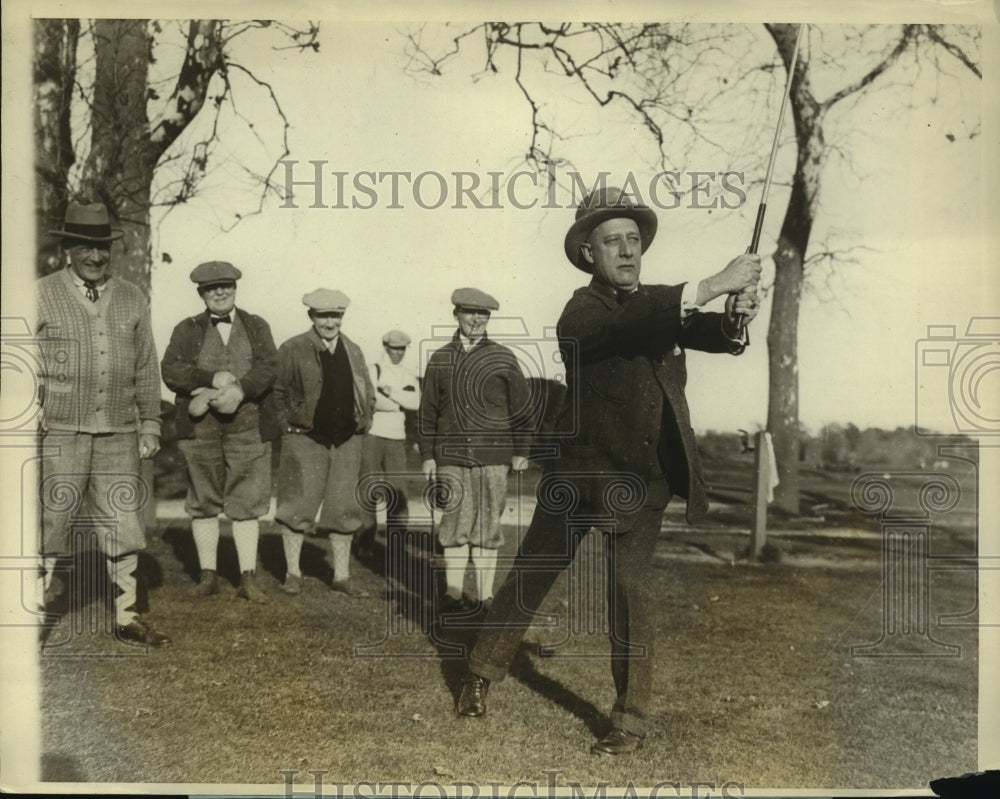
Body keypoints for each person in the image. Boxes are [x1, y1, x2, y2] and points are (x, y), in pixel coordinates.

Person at [454, 187, 762, 756]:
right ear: (588, 254)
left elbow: (701, 330)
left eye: (633, 240)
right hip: (579, 480)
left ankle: (630, 720)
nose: (626, 250)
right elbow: (633, 328)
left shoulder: (661, 310)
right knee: (530, 580)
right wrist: (714, 284)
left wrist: (734, 318)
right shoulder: (581, 310)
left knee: (631, 591)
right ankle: (479, 672)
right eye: (611, 241)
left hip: (644, 482)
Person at [36, 202, 170, 646]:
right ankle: (33, 613)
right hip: (60, 431)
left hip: (119, 432)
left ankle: (126, 616)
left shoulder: (132, 296)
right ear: (67, 249)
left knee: (122, 522)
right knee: (51, 521)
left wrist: (150, 423)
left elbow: (147, 367)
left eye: (102, 248)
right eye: (85, 247)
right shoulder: (40, 293)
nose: (95, 257)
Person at [160, 261, 279, 603]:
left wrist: (241, 389)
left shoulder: (257, 326)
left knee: (247, 500)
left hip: (250, 424)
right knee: (203, 499)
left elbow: (270, 367)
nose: (220, 292)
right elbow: (170, 370)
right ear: (201, 293)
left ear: (235, 288)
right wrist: (208, 379)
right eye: (212, 288)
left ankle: (248, 578)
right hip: (200, 428)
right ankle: (208, 576)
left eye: (226, 286)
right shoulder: (187, 329)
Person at [418, 288, 532, 615]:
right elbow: (427, 413)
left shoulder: (503, 357)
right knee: (454, 525)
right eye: (470, 312)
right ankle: (453, 595)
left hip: (493, 460)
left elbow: (522, 410)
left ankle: (485, 597)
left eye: (483, 314)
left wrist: (521, 450)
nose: (476, 319)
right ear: (456, 314)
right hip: (450, 459)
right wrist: (427, 454)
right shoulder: (440, 357)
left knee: (486, 528)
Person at [273, 289, 376, 597]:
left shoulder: (354, 349)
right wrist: (287, 425)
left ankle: (341, 577)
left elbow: (367, 390)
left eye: (336, 315)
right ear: (311, 316)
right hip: (305, 440)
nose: (330, 322)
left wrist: (364, 420)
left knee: (343, 509)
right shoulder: (292, 348)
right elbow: (277, 393)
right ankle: (293, 573)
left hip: (345, 441)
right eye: (323, 315)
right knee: (296, 506)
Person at [356, 329, 420, 558]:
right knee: (368, 489)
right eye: (394, 348)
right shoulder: (374, 369)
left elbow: (415, 402)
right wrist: (398, 402)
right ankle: (364, 542)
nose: (398, 353)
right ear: (386, 347)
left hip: (397, 438)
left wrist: (391, 393)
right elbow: (373, 402)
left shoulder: (408, 374)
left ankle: (397, 546)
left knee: (398, 491)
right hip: (372, 435)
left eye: (402, 348)